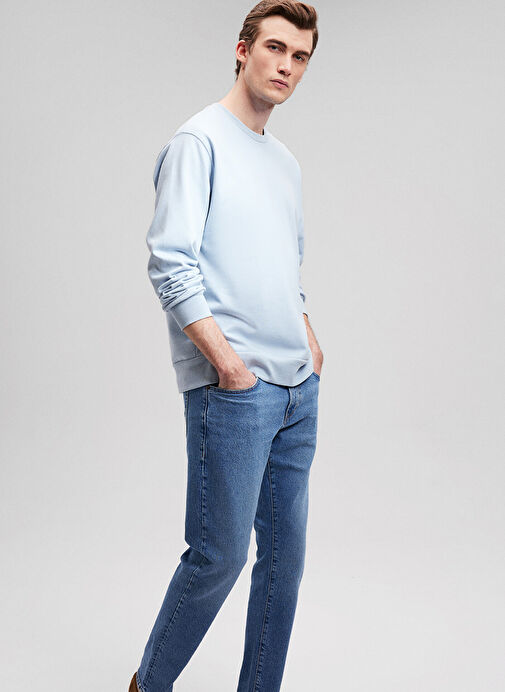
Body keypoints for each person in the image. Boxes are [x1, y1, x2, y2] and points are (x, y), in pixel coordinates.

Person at [130, 2, 322, 690]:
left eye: (299, 56)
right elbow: (170, 262)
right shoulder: (198, 141)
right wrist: (227, 365)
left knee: (284, 563)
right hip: (236, 391)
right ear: (242, 50)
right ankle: (148, 685)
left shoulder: (285, 162)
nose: (285, 66)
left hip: (298, 390)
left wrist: (309, 343)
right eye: (274, 48)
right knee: (218, 556)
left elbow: (286, 267)